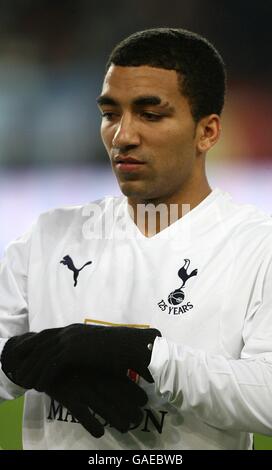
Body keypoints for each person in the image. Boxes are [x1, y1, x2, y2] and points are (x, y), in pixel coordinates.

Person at [0, 27, 272, 451]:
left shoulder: (256, 246)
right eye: (110, 113)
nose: (123, 136)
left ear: (208, 132)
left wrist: (147, 354)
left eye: (151, 114)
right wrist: (29, 360)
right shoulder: (48, 237)